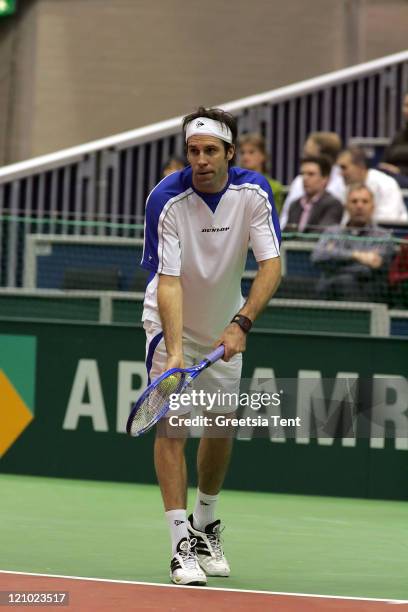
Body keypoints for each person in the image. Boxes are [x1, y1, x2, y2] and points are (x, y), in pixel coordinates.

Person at [141, 107, 281, 585]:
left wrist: (241, 323)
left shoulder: (254, 192)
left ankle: (205, 524)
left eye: (209, 151)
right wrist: (176, 351)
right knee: (173, 428)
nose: (199, 160)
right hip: (170, 322)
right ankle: (180, 544)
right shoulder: (165, 199)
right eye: (192, 151)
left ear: (229, 153)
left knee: (221, 427)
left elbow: (271, 267)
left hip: (226, 323)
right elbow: (170, 281)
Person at [311, 184, 394, 301]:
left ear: (373, 207)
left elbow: (370, 268)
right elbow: (317, 257)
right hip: (328, 292)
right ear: (346, 206)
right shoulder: (332, 231)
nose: (359, 206)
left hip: (365, 294)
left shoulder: (384, 236)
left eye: (365, 201)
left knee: (345, 281)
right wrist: (357, 256)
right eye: (354, 201)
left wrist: (334, 262)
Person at [280, 131, 346, 229]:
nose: (305, 178)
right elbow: (285, 222)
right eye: (303, 174)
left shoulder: (341, 183)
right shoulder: (295, 201)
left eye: (308, 153)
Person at [337, 146, 408, 223]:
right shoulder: (347, 187)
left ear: (360, 166)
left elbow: (388, 220)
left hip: (393, 231)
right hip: (358, 232)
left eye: (344, 168)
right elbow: (345, 221)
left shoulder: (386, 184)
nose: (341, 173)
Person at [285, 156, 343, 233]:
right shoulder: (294, 205)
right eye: (303, 174)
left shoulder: (333, 204)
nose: (305, 178)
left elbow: (321, 234)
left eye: (311, 174)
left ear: (325, 179)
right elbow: (286, 233)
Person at [238, 132, 284, 214]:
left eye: (251, 152)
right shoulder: (234, 184)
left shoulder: (275, 187)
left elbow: (273, 217)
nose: (245, 157)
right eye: (242, 153)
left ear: (263, 156)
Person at [378, 91, 408, 188]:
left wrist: (400, 171)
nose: (406, 110)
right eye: (405, 105)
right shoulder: (399, 135)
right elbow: (385, 159)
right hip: (392, 177)